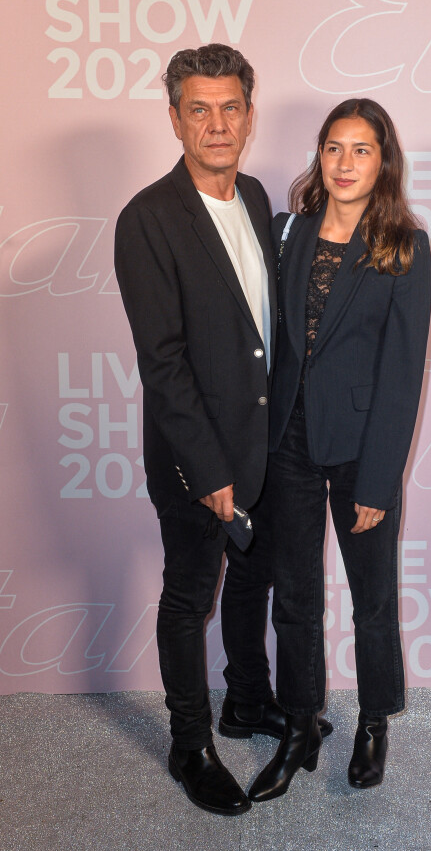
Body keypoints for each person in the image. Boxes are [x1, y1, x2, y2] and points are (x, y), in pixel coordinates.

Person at [114, 44, 332, 818]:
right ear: (174, 118)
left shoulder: (256, 195)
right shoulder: (146, 219)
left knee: (254, 577)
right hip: (193, 457)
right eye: (198, 109)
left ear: (250, 113)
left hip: (265, 443)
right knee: (188, 594)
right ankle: (189, 742)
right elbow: (163, 363)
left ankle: (246, 702)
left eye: (230, 106)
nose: (216, 123)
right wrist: (209, 469)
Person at [248, 99, 431, 803]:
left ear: (383, 160)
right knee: (294, 594)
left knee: (373, 598)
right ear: (318, 156)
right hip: (288, 441)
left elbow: (402, 375)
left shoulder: (404, 246)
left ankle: (375, 722)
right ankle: (299, 724)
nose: (345, 162)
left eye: (361, 149)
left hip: (362, 451)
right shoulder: (286, 230)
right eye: (333, 147)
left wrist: (380, 484)